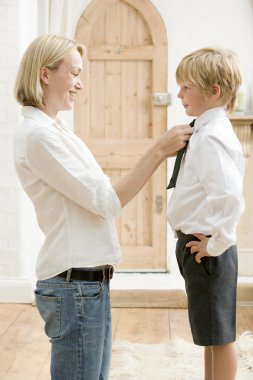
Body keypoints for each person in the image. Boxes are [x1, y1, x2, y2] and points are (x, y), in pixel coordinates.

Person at [13, 34, 192, 380]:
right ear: (45, 74)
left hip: (86, 284)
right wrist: (158, 150)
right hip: (74, 286)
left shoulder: (56, 131)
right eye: (74, 73)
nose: (80, 84)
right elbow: (108, 201)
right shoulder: (40, 137)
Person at [167, 47, 245, 380]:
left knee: (220, 334)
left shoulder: (211, 137)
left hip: (207, 250)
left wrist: (214, 245)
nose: (179, 93)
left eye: (187, 87)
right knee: (209, 331)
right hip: (199, 247)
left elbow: (229, 199)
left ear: (214, 92)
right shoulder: (202, 130)